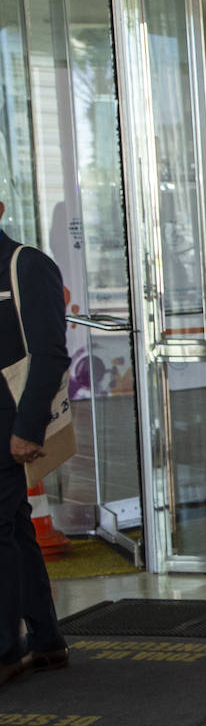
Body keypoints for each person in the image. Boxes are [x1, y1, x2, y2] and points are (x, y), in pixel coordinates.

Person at [1, 199, 70, 687]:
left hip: (10, 429)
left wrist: (28, 428)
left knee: (2, 532)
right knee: (13, 528)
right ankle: (45, 640)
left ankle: (7, 650)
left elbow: (49, 354)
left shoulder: (26, 264)